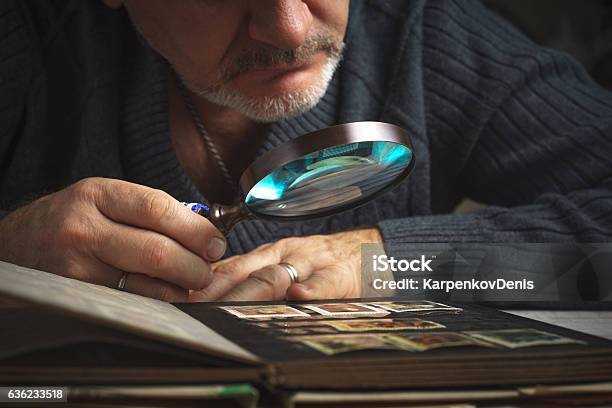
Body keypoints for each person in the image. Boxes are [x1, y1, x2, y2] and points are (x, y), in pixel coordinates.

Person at [0, 0, 611, 303]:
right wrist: (8, 254)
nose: (291, 31)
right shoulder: (24, 44)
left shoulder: (428, 38)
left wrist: (390, 261)